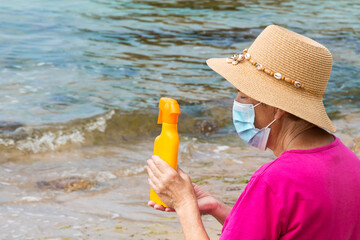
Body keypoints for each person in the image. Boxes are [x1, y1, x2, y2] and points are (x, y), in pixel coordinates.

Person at [146, 25, 360, 239]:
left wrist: (184, 204)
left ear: (277, 109)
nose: (237, 104)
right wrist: (218, 208)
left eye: (244, 97)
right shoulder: (351, 164)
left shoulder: (274, 181)